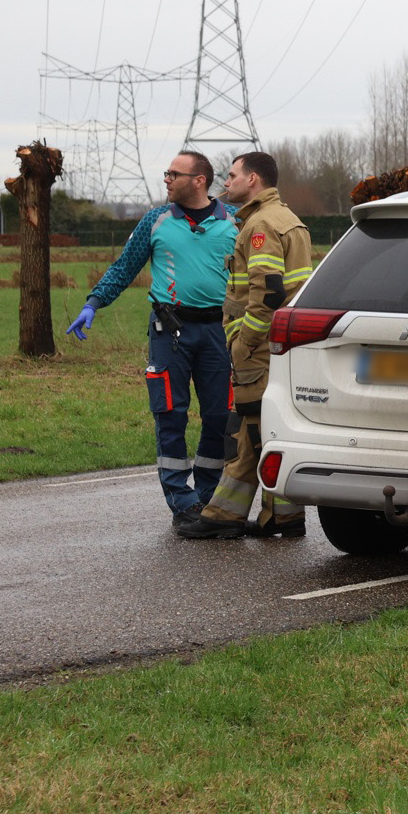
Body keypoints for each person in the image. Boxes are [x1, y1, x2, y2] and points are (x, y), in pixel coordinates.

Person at [66, 152, 238, 525]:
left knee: (219, 416)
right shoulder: (154, 221)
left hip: (218, 332)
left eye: (174, 174)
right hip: (169, 331)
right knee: (170, 414)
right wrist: (94, 303)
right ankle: (183, 503)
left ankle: (209, 499)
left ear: (199, 180)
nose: (166, 179)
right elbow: (124, 267)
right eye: (166, 173)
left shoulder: (234, 222)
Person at [175, 152, 312, 540]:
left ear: (253, 179)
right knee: (267, 429)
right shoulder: (288, 219)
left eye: (232, 175)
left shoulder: (261, 224)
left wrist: (245, 343)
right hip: (283, 346)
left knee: (248, 431)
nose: (226, 182)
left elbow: (267, 294)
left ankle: (224, 515)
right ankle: (282, 515)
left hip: (260, 349)